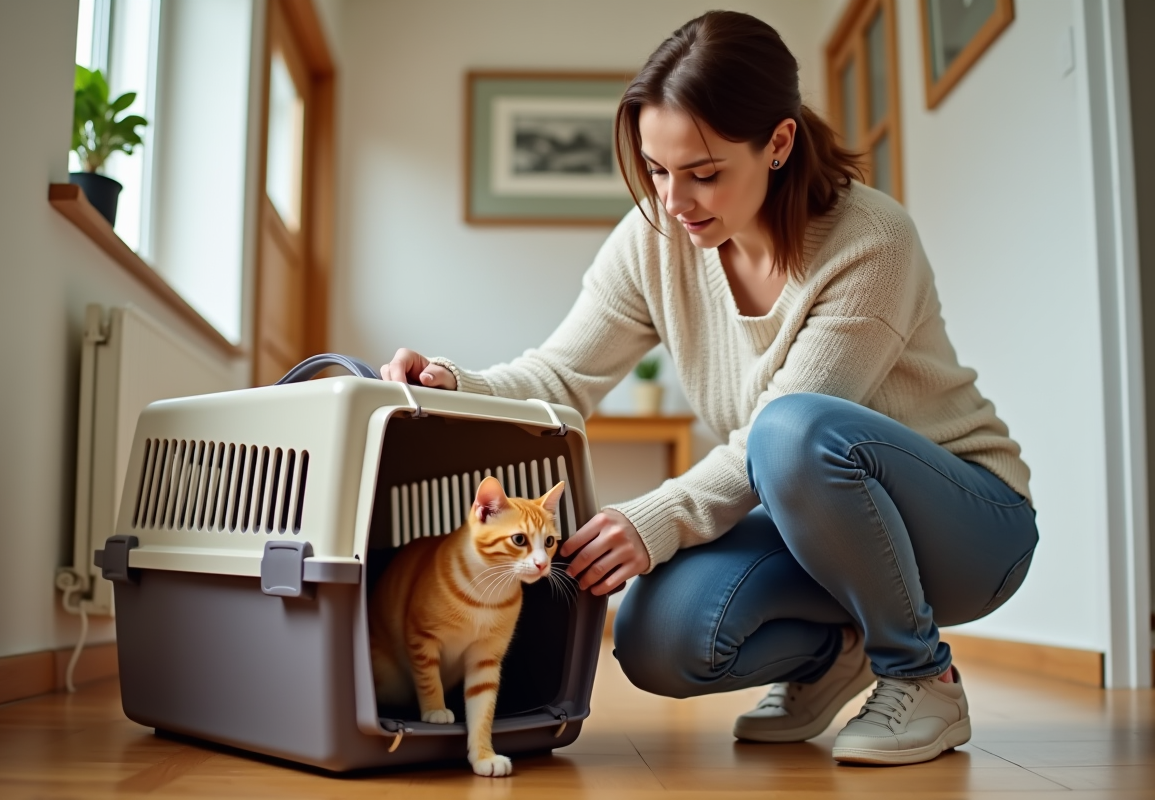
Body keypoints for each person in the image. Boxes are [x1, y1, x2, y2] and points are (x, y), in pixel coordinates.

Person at [380, 10, 1038, 766]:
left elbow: (780, 431)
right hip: (819, 519)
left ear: (779, 144)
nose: (673, 200)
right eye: (657, 170)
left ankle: (922, 673)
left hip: (971, 528)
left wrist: (652, 520)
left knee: (789, 432)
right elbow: (560, 377)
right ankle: (839, 653)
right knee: (659, 638)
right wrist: (449, 383)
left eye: (703, 172)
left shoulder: (872, 242)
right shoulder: (656, 241)